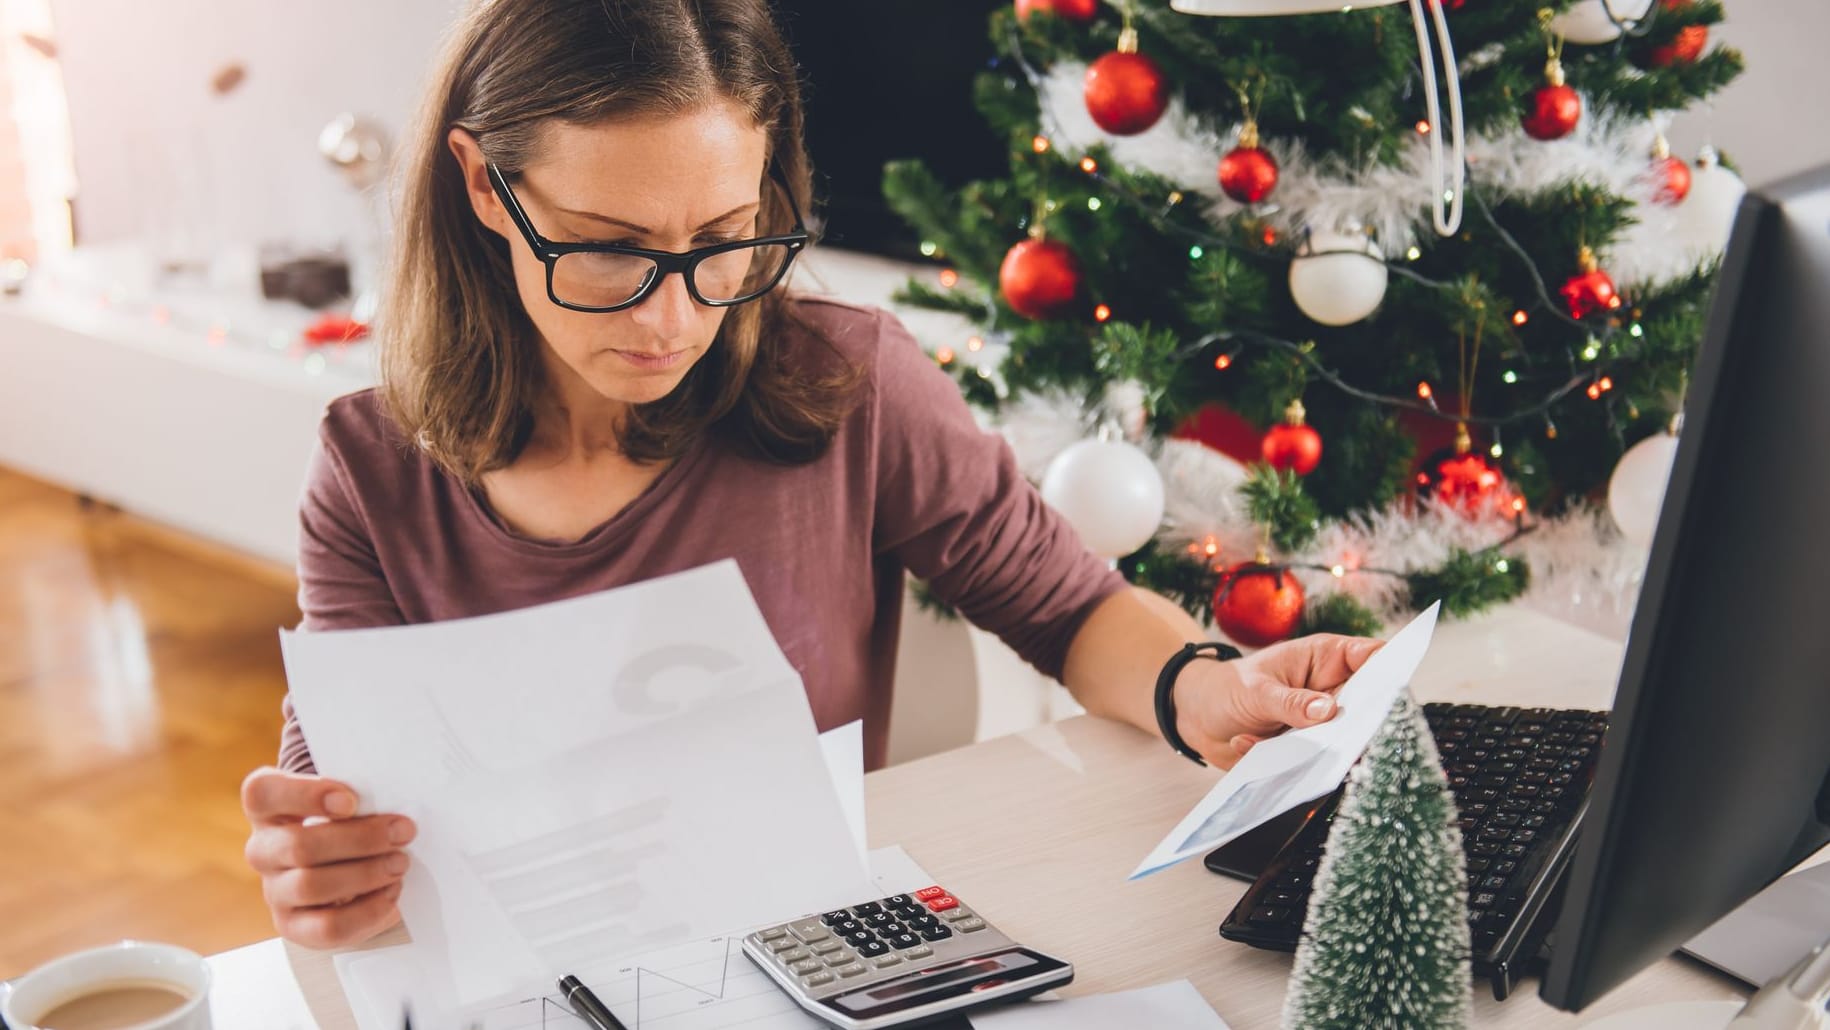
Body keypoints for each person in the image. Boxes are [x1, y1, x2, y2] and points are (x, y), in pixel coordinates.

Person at [240, 0, 1382, 951]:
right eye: (610, 249)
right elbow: (347, 799)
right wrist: (319, 870)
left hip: (805, 954)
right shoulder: (369, 473)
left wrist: (1204, 690)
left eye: (725, 238)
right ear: (487, 189)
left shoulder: (850, 380)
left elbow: (1067, 605)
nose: (674, 317)